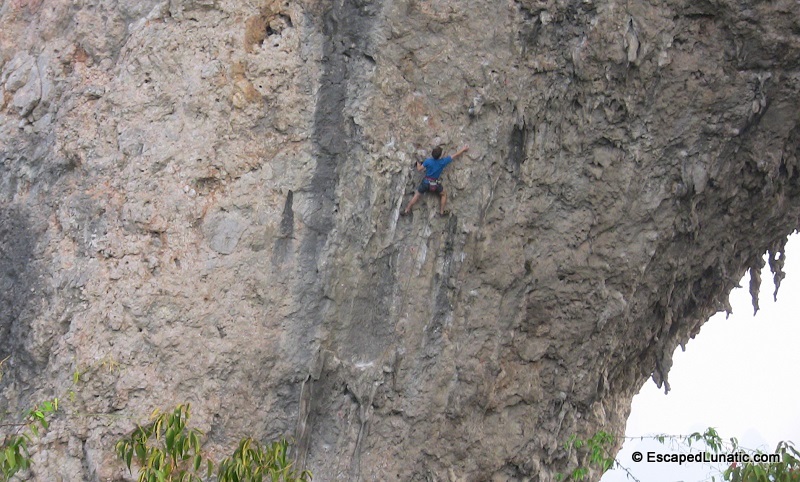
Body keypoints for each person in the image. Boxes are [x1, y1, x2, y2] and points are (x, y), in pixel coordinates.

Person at [402, 145, 469, 216]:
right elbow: (454, 155)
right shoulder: (443, 162)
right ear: (440, 155)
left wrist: (418, 164)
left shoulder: (428, 161)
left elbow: (419, 169)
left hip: (426, 183)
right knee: (444, 194)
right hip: (435, 184)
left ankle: (407, 210)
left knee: (417, 195)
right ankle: (441, 212)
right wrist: (463, 149)